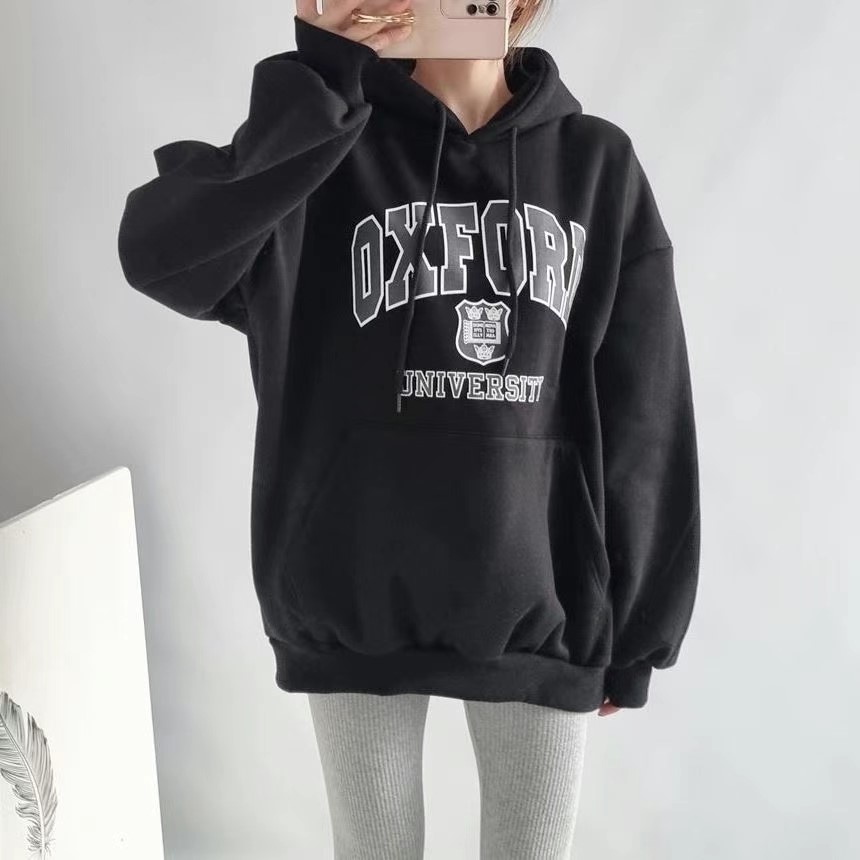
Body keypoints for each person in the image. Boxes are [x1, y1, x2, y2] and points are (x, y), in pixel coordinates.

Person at [117, 0, 701, 856]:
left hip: (542, 606)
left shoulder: (595, 166)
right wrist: (318, 84)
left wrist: (641, 629)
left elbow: (646, 406)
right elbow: (162, 256)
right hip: (351, 592)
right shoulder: (322, 150)